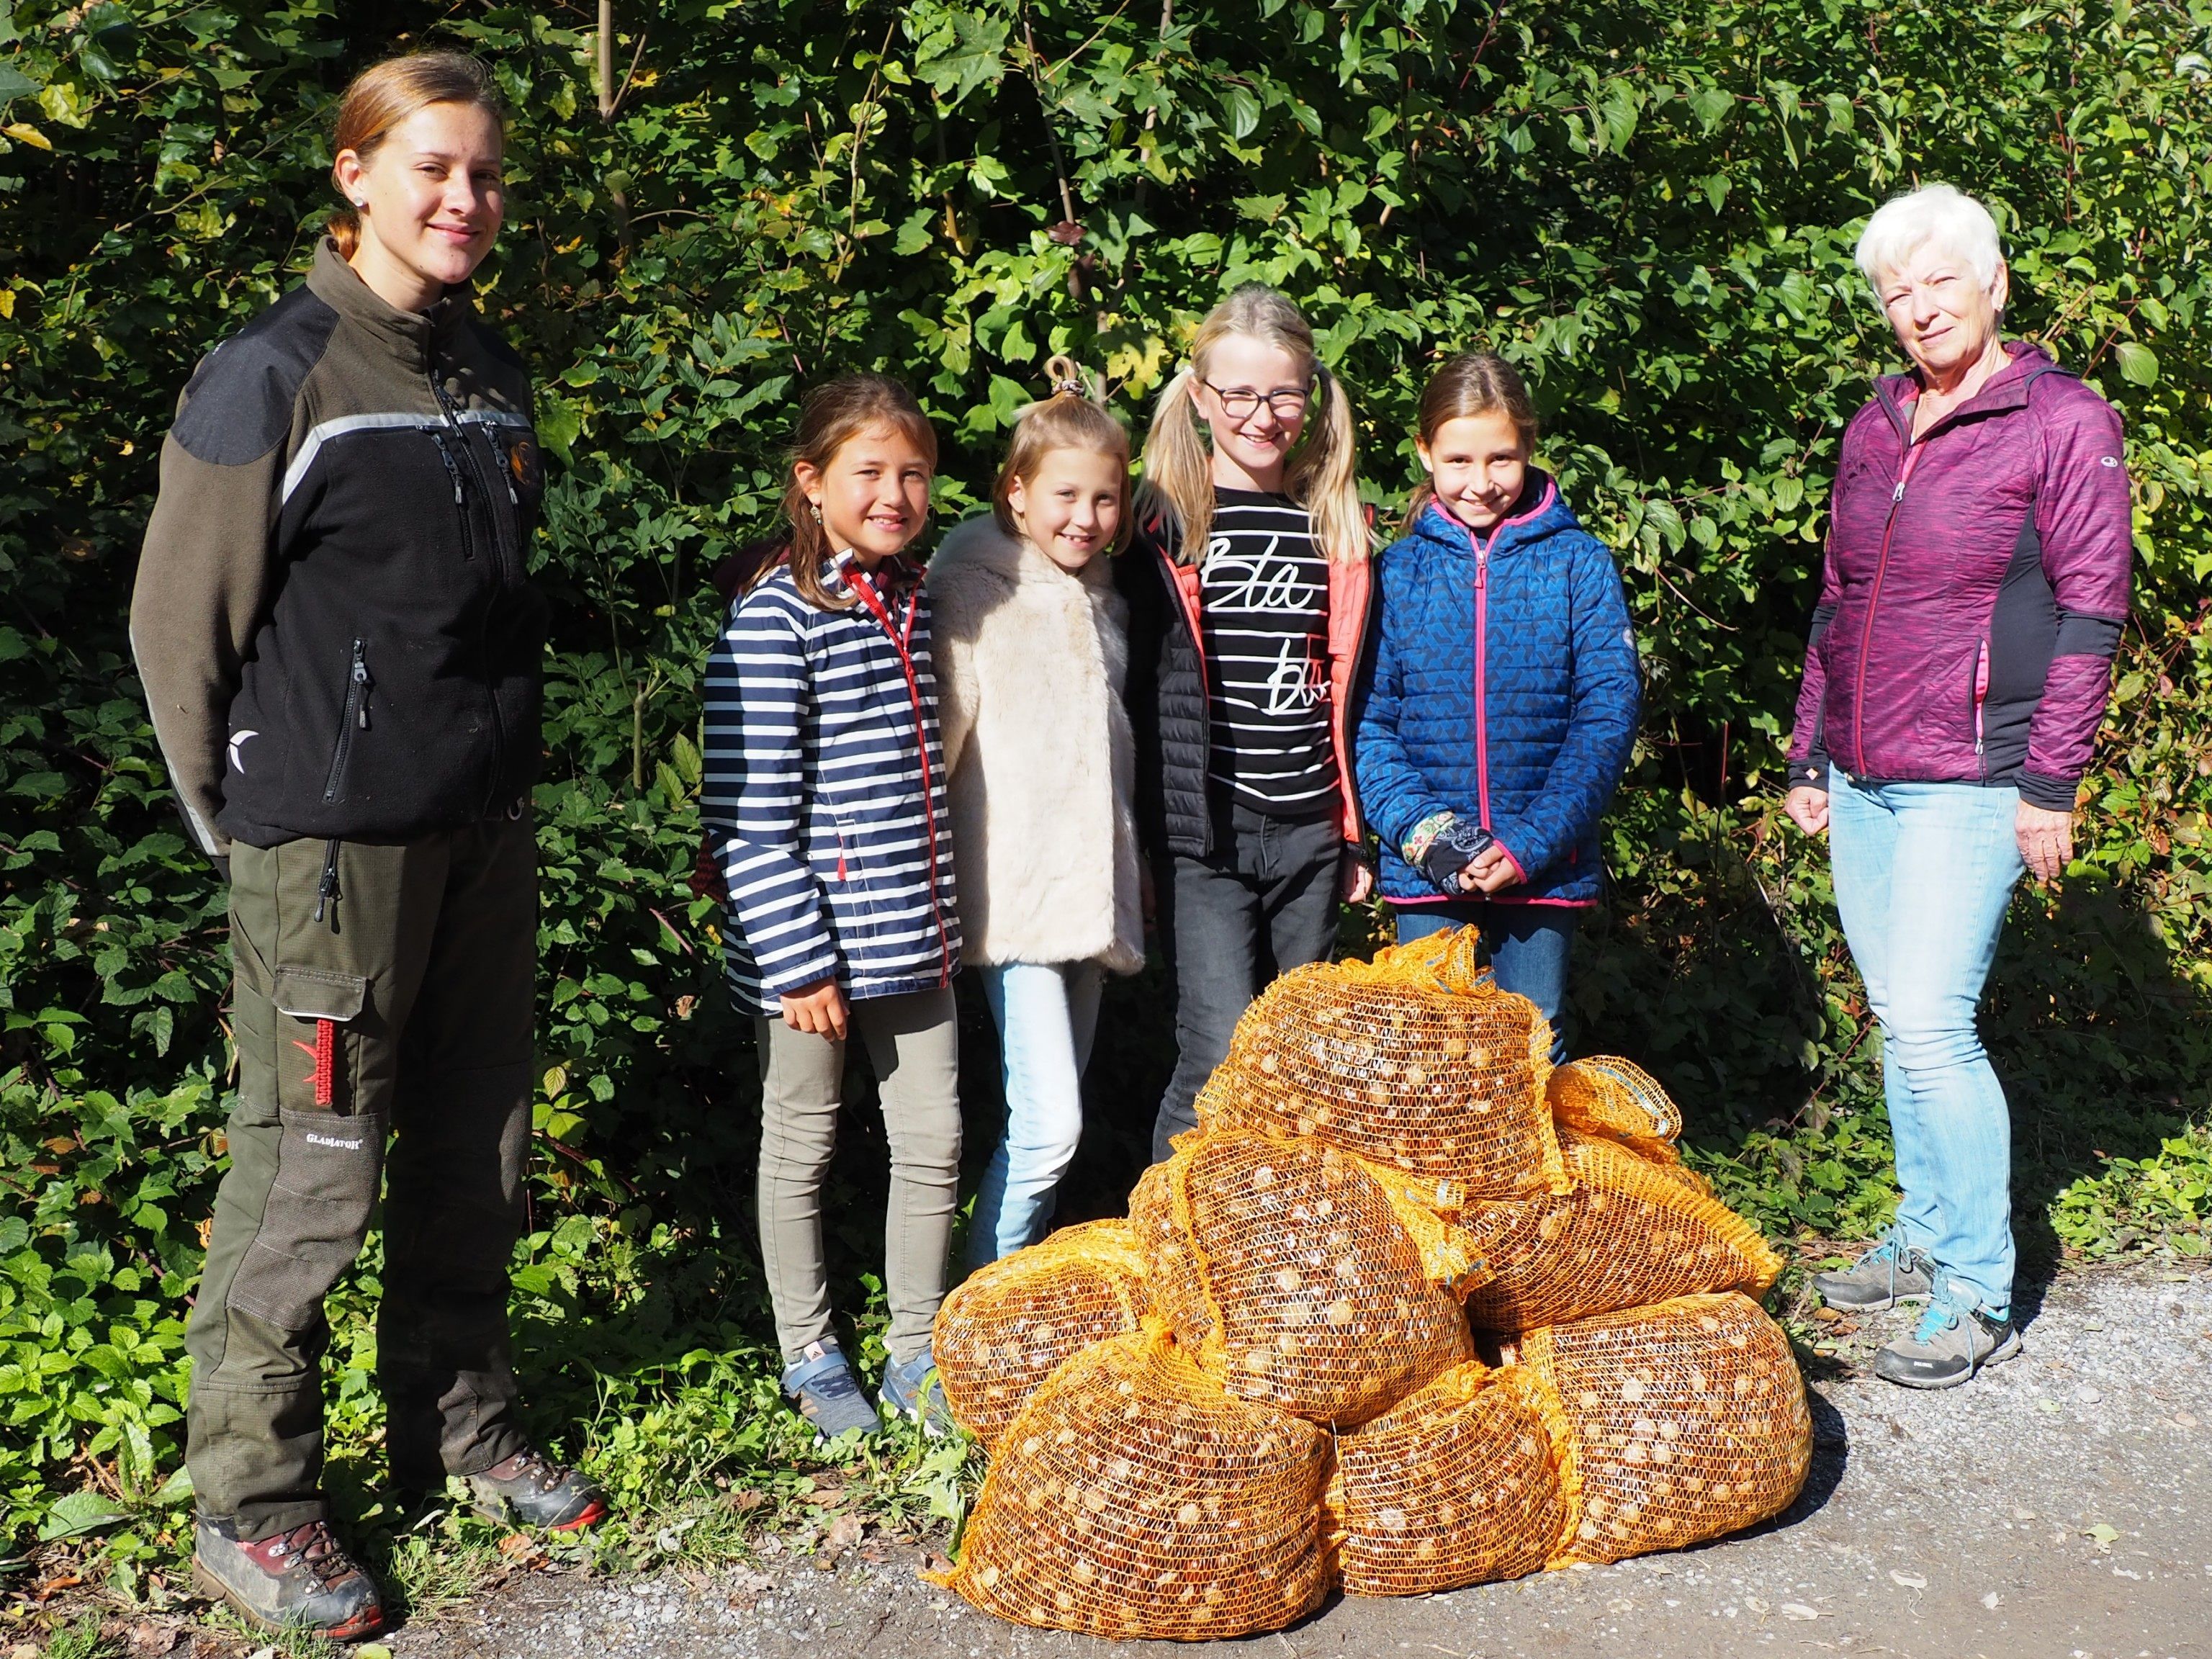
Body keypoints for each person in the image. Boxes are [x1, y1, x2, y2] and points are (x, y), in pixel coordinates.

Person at [129, 53, 602, 1642]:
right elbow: (174, 630)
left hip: (481, 835)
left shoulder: (484, 370)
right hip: (329, 855)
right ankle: (253, 1506)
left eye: (482, 175)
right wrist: (251, 828)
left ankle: (456, 1427)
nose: (463, 199)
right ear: (356, 177)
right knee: (313, 1171)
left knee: (479, 1147)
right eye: (431, 170)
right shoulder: (276, 373)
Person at [1785, 184, 2132, 1389]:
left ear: (1992, 283)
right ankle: (1925, 1231)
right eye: (1896, 290)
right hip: (1866, 769)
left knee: (1932, 1021)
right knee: (1898, 1019)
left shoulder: (2059, 418)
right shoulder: (1876, 423)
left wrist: (2051, 781)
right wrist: (1807, 750)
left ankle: (1976, 1285)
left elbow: (2092, 606)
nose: (1918, 306)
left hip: (1974, 776)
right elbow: (1835, 598)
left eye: (1939, 280)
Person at [701, 374, 963, 1441]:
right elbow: (747, 819)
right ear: (811, 484)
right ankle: (809, 1352)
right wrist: (800, 961)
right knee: (799, 1149)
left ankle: (916, 1348)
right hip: (808, 953)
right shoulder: (773, 621)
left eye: (913, 473)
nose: (895, 492)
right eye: (870, 472)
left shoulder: (914, 598)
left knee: (934, 1142)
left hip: (919, 933)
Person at [1119, 284, 1375, 1164]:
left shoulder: (1336, 522)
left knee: (1297, 1066)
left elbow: (1352, 688)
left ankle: (1271, 1247)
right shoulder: (1160, 522)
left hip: (1310, 833)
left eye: (1284, 395)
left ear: (1311, 395)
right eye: (1239, 395)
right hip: (1208, 841)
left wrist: (1354, 835)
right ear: (1198, 396)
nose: (1262, 417)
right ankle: (1167, 1253)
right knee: (1216, 1057)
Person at [1354, 353, 1640, 1061]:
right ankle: (1441, 1178)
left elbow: (1606, 715)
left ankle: (1533, 1178)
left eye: (1501, 459)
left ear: (1529, 447)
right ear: (1424, 452)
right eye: (1457, 460)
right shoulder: (1395, 573)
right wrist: (1435, 839)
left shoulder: (1580, 565)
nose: (1480, 483)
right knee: (1431, 1045)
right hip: (1428, 870)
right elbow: (1368, 723)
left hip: (1542, 865)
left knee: (1531, 1041)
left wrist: (1527, 845)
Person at [927, 359, 1145, 1265]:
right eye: (1064, 495)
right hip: (1015, 899)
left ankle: (1020, 1299)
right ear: (1015, 495)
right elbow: (937, 741)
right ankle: (985, 1308)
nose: (1083, 518)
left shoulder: (1101, 597)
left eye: (1104, 499)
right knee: (1050, 1125)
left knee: (1057, 1122)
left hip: (1090, 902)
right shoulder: (976, 589)